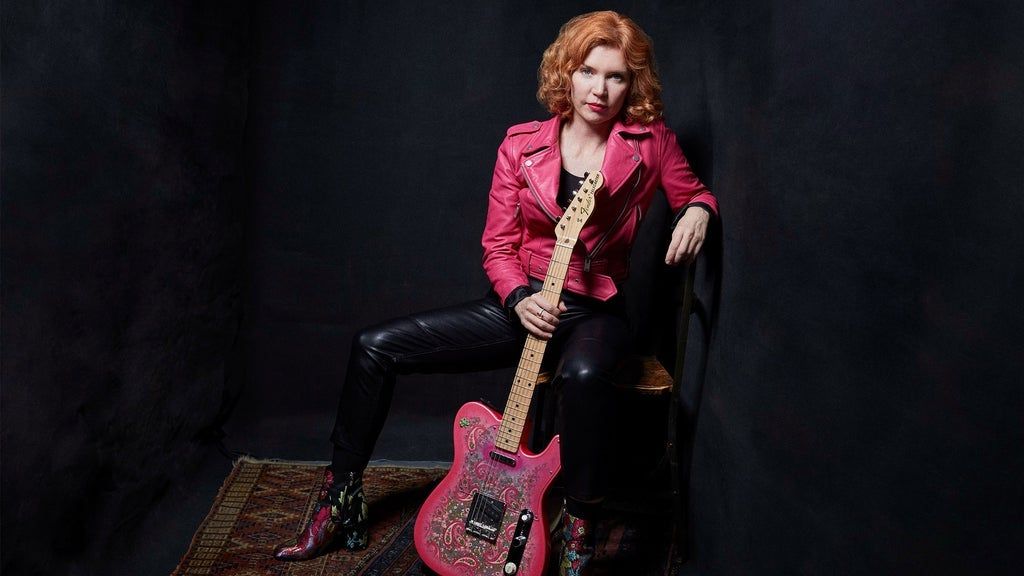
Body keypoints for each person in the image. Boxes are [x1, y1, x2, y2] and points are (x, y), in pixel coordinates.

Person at [272, 10, 717, 575]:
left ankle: (580, 531)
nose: (600, 90)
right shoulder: (520, 146)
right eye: (588, 72)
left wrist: (698, 211)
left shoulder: (651, 144)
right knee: (373, 347)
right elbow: (498, 246)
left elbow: (695, 193)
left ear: (633, 85)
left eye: (616, 77)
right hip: (522, 302)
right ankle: (340, 501)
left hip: (594, 309)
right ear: (567, 72)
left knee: (583, 377)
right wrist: (517, 300)